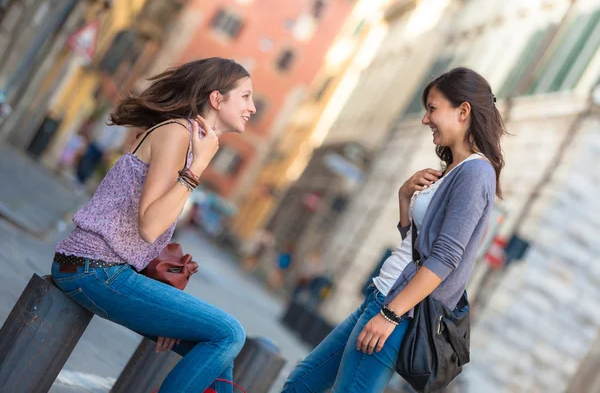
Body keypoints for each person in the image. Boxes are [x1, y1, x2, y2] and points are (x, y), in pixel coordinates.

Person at [282, 67, 507, 392]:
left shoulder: (475, 174)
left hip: (399, 311)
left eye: (432, 109)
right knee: (301, 383)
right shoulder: (453, 171)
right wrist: (405, 197)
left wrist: (390, 315)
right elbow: (416, 249)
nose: (425, 119)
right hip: (382, 295)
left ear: (463, 111)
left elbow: (444, 259)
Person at [50, 58, 256, 393]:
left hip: (104, 270)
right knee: (229, 333)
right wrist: (198, 168)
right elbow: (149, 225)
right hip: (93, 269)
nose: (253, 107)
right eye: (245, 96)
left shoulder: (187, 136)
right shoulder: (177, 134)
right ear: (217, 99)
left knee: (219, 350)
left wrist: (165, 309)